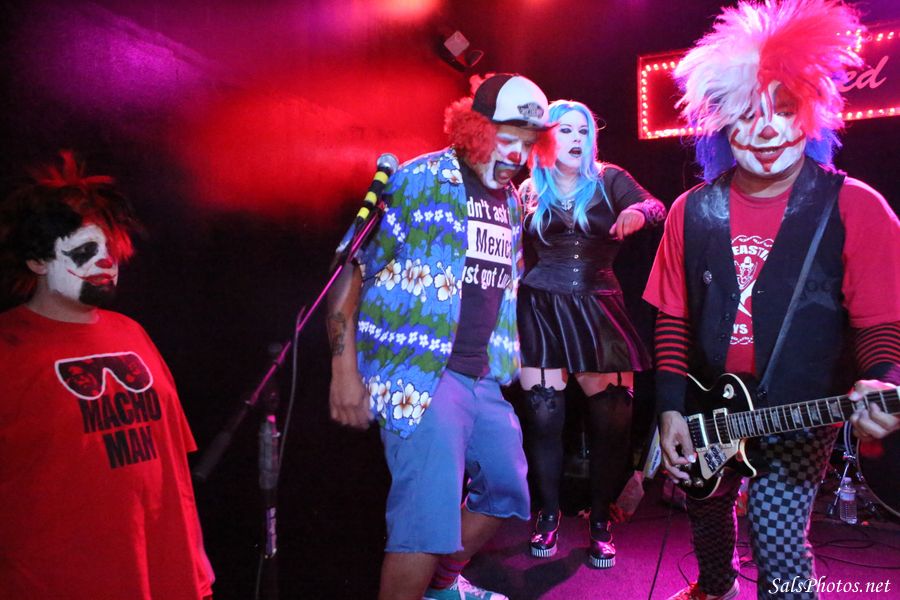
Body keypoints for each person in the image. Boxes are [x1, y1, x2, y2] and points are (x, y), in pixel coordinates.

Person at [642, 1, 900, 599]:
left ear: (811, 116)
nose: (765, 130)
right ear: (720, 122)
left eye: (783, 111)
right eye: (747, 113)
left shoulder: (855, 206)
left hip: (800, 411)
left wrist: (884, 379)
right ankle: (715, 587)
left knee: (775, 529)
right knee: (706, 506)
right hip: (709, 403)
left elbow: (882, 321)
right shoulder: (691, 210)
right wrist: (672, 408)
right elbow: (674, 318)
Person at [327, 74, 556, 600]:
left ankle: (443, 587)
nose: (517, 154)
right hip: (422, 372)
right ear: (475, 128)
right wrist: (344, 373)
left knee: (507, 491)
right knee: (424, 525)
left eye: (528, 142)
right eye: (507, 137)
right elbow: (351, 270)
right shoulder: (419, 180)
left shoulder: (510, 201)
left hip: (480, 375)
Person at [0, 151, 215, 599]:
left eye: (109, 250)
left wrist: (194, 568)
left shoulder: (131, 333)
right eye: (84, 251)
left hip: (160, 578)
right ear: (37, 260)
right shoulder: (9, 348)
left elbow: (170, 466)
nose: (105, 263)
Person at [516, 99, 665, 567]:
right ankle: (547, 515)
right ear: (546, 137)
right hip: (540, 307)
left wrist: (637, 213)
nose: (577, 139)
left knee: (612, 424)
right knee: (543, 421)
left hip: (599, 305)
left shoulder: (608, 178)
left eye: (583, 131)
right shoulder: (528, 190)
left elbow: (654, 205)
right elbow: (515, 253)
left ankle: (600, 520)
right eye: (565, 130)